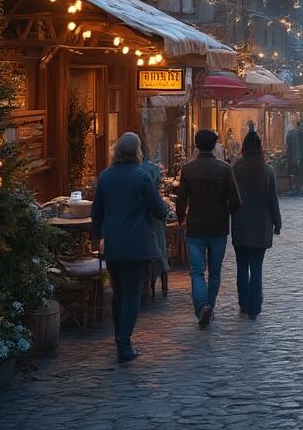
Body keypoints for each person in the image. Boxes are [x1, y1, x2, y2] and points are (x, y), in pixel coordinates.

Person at [90, 132, 168, 363]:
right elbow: (158, 208)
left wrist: (98, 237)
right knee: (132, 294)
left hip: (113, 243)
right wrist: (162, 210)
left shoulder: (105, 176)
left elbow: (97, 212)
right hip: (136, 244)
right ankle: (124, 343)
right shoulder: (142, 177)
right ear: (137, 152)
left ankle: (119, 336)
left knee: (118, 292)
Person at [176, 128, 242, 327]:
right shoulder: (224, 169)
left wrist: (181, 219)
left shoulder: (188, 169)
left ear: (196, 145)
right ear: (215, 145)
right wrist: (225, 212)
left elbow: (180, 201)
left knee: (196, 272)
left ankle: (202, 307)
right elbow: (236, 202)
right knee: (214, 272)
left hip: (195, 228)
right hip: (218, 228)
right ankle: (209, 307)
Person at [231, 131, 282, 320]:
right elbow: (272, 200)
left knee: (242, 267)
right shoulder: (267, 170)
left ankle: (244, 303)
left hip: (240, 224)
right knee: (257, 268)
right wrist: (277, 223)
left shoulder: (235, 169)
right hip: (261, 226)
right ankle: (255, 305)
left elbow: (230, 197)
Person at [139, 135, 169, 300]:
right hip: (151, 220)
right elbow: (157, 199)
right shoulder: (150, 170)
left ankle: (143, 286)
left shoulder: (110, 173)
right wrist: (163, 210)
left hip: (131, 227)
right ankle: (160, 279)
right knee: (159, 246)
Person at [284, 119, 303, 195]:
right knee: (301, 173)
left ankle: (296, 187)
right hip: (302, 157)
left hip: (294, 157)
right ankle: (301, 187)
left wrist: (289, 155)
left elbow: (288, 145)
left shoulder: (291, 133)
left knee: (295, 173)